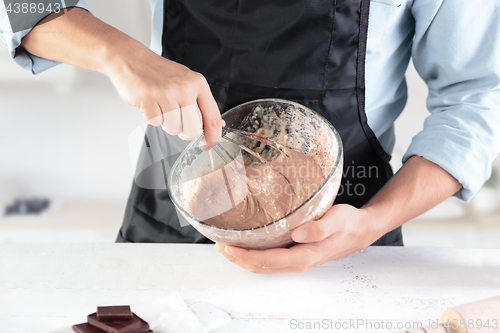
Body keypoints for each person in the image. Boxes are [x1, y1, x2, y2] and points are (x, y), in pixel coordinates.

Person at [1, 0, 499, 274]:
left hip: (344, 237)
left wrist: (371, 223)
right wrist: (117, 52)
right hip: (167, 232)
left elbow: (475, 99)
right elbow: (23, 6)